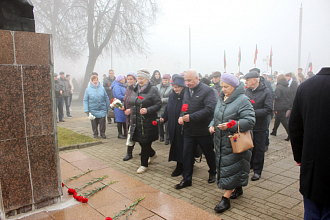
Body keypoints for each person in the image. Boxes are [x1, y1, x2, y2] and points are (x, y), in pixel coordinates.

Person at [209, 73, 255, 213]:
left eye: (227, 87)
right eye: (222, 86)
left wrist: (231, 125)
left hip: (235, 140)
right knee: (229, 166)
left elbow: (250, 120)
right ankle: (238, 188)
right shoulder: (222, 98)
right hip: (221, 141)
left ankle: (225, 199)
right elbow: (216, 116)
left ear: (235, 86)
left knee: (231, 167)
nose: (223, 89)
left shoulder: (243, 100)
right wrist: (211, 125)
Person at [289, 67, 330, 219]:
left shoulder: (305, 86)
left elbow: (294, 126)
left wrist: (299, 156)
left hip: (311, 166)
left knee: (312, 211)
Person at [175, 69, 217, 189]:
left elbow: (210, 109)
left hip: (203, 130)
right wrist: (181, 117)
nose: (187, 83)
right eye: (185, 80)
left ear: (197, 79)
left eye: (189, 80)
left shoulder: (208, 90)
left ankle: (213, 172)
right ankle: (187, 179)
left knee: (208, 152)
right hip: (189, 130)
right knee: (187, 154)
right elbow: (184, 106)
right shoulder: (187, 90)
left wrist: (191, 117)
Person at [129, 69, 162, 174]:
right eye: (138, 78)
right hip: (136, 120)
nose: (140, 80)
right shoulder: (136, 89)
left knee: (145, 142)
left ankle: (144, 165)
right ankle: (152, 154)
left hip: (147, 121)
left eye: (142, 78)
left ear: (147, 79)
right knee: (139, 140)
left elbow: (158, 104)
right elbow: (133, 102)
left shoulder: (153, 89)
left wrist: (148, 110)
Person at [244, 71, 273, 181]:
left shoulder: (266, 92)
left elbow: (268, 109)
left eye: (247, 80)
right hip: (248, 125)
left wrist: (252, 113)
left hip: (260, 126)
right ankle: (250, 165)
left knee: (259, 149)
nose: (246, 82)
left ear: (254, 80)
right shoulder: (246, 91)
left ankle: (257, 171)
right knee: (249, 147)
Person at [160, 75, 186, 177]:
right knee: (175, 145)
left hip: (182, 125)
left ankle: (181, 166)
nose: (175, 89)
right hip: (172, 124)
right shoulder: (172, 95)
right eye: (174, 87)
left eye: (177, 87)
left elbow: (186, 108)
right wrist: (164, 117)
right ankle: (179, 163)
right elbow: (167, 107)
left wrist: (182, 117)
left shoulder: (186, 96)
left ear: (183, 86)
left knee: (181, 146)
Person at [122, 72, 138, 161]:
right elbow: (126, 99)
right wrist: (123, 106)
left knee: (132, 134)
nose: (129, 81)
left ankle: (129, 153)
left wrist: (131, 110)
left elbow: (139, 103)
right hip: (128, 115)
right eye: (128, 79)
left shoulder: (138, 89)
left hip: (135, 115)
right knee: (131, 133)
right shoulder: (127, 88)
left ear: (135, 79)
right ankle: (129, 153)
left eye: (131, 79)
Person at [270, 74, 290, 140]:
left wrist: (273, 97)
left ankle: (290, 134)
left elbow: (277, 96)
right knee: (278, 118)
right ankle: (274, 131)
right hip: (285, 104)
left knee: (284, 121)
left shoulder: (278, 87)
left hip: (279, 106)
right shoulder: (286, 86)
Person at [156, 74, 172, 145]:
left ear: (168, 80)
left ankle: (167, 138)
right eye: (163, 80)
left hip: (166, 107)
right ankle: (161, 136)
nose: (164, 81)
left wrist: (163, 100)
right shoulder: (157, 86)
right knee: (159, 122)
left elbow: (171, 98)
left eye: (166, 80)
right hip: (159, 107)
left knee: (167, 123)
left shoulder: (171, 88)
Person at [111, 75, 127, 139]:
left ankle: (125, 133)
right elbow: (118, 96)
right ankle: (120, 134)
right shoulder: (117, 86)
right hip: (118, 104)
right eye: (123, 79)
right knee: (120, 120)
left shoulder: (121, 85)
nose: (124, 80)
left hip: (122, 103)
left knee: (124, 119)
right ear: (120, 80)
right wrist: (127, 98)